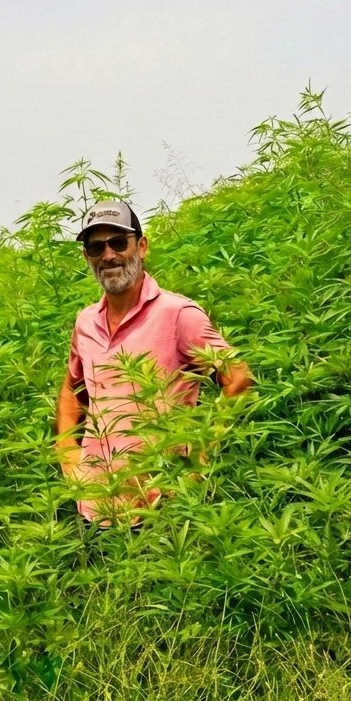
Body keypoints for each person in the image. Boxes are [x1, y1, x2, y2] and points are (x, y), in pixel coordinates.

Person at [55, 200, 252, 526]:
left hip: (160, 512)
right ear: (86, 256)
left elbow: (239, 379)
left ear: (141, 246)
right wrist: (67, 450)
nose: (108, 256)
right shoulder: (85, 322)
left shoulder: (178, 314)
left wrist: (201, 457)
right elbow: (72, 388)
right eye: (95, 247)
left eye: (119, 243)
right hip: (94, 509)